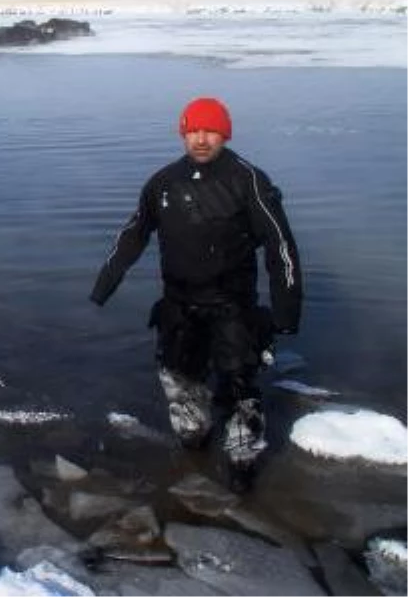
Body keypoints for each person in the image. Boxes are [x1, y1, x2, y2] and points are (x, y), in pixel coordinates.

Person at [89, 96, 302, 493]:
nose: (201, 140)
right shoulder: (163, 183)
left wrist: (286, 313)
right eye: (193, 131)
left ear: (225, 133)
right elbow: (134, 233)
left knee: (241, 386)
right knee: (181, 381)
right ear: (183, 134)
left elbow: (281, 246)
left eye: (210, 131)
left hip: (232, 306)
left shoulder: (248, 180)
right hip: (179, 305)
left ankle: (243, 466)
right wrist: (106, 282)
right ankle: (193, 444)